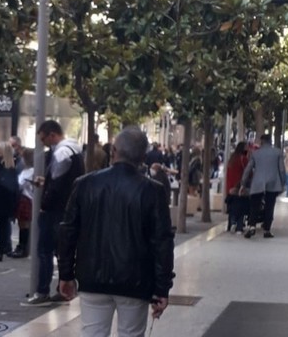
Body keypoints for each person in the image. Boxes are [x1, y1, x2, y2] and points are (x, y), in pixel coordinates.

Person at [58, 126, 175, 337]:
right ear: (143, 157)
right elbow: (162, 242)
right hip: (135, 280)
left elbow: (68, 231)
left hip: (92, 277)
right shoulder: (153, 191)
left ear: (113, 151)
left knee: (92, 333)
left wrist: (66, 274)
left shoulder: (85, 185)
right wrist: (161, 288)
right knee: (131, 333)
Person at [23, 119, 83, 307]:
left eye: (44, 139)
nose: (43, 144)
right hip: (68, 208)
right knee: (62, 251)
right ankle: (63, 289)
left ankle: (42, 291)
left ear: (52, 135)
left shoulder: (62, 152)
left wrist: (44, 204)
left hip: (55, 210)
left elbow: (57, 184)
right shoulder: (75, 149)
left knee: (44, 250)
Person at [242, 134, 285, 239]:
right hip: (273, 182)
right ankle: (267, 230)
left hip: (258, 182)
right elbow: (282, 170)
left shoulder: (256, 154)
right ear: (270, 141)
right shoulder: (277, 152)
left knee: (254, 205)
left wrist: (243, 183)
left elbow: (248, 169)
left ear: (261, 142)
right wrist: (282, 183)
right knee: (270, 206)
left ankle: (252, 226)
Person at [9, 148, 34, 258]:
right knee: (22, 224)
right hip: (24, 198)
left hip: (27, 198)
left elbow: (20, 184)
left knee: (24, 224)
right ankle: (22, 246)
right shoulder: (27, 170)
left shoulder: (30, 171)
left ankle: (23, 247)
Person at [224, 142, 249, 233]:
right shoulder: (243, 159)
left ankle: (231, 223)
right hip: (239, 186)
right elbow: (248, 172)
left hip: (230, 186)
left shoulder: (232, 158)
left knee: (232, 207)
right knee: (241, 206)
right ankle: (239, 226)